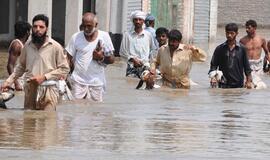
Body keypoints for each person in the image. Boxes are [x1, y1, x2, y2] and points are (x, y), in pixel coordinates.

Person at [1, 14, 70, 111]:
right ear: (32, 28)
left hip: (49, 89)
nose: (38, 29)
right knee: (29, 120)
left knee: (48, 121)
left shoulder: (55, 46)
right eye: (35, 26)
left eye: (41, 27)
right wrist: (8, 82)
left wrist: (44, 77)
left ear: (46, 29)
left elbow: (65, 69)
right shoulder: (27, 46)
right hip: (30, 89)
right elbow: (21, 67)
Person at [65, 12, 114, 102]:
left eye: (89, 26)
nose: (86, 29)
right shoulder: (76, 37)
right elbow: (67, 59)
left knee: (96, 112)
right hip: (78, 81)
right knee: (77, 110)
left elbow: (112, 59)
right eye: (84, 26)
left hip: (97, 82)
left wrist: (101, 57)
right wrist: (64, 77)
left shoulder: (104, 36)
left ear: (96, 25)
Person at [209, 23, 252, 89]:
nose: (229, 35)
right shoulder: (219, 49)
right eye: (227, 33)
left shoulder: (242, 49)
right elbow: (213, 65)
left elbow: (247, 67)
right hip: (223, 84)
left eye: (232, 33)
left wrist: (249, 81)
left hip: (238, 85)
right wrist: (213, 77)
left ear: (237, 33)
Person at [120, 10, 156, 77]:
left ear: (143, 21)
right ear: (133, 21)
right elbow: (122, 52)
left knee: (146, 86)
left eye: (140, 20)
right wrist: (132, 59)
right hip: (132, 67)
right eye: (136, 20)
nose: (138, 22)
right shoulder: (127, 35)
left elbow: (152, 51)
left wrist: (152, 66)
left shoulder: (148, 35)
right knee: (130, 85)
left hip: (145, 66)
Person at [240, 20, 269, 88]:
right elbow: (239, 55)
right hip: (247, 65)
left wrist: (268, 63)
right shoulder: (242, 41)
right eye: (246, 28)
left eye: (249, 28)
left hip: (258, 66)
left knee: (258, 86)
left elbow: (267, 52)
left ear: (255, 28)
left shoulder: (261, 39)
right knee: (247, 84)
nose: (247, 30)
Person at [7, 21, 31, 91]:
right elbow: (10, 65)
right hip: (17, 82)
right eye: (29, 31)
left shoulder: (24, 44)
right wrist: (16, 83)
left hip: (23, 80)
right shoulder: (17, 45)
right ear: (27, 32)